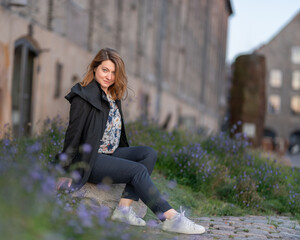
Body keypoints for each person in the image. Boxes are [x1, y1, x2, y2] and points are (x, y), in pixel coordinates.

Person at [56, 48, 205, 235]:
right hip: (90, 159)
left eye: (113, 72)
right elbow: (73, 134)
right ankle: (171, 217)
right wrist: (65, 169)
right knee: (137, 170)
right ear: (94, 69)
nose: (109, 76)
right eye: (105, 70)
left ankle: (123, 210)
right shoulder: (83, 96)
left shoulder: (113, 95)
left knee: (148, 154)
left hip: (110, 153)